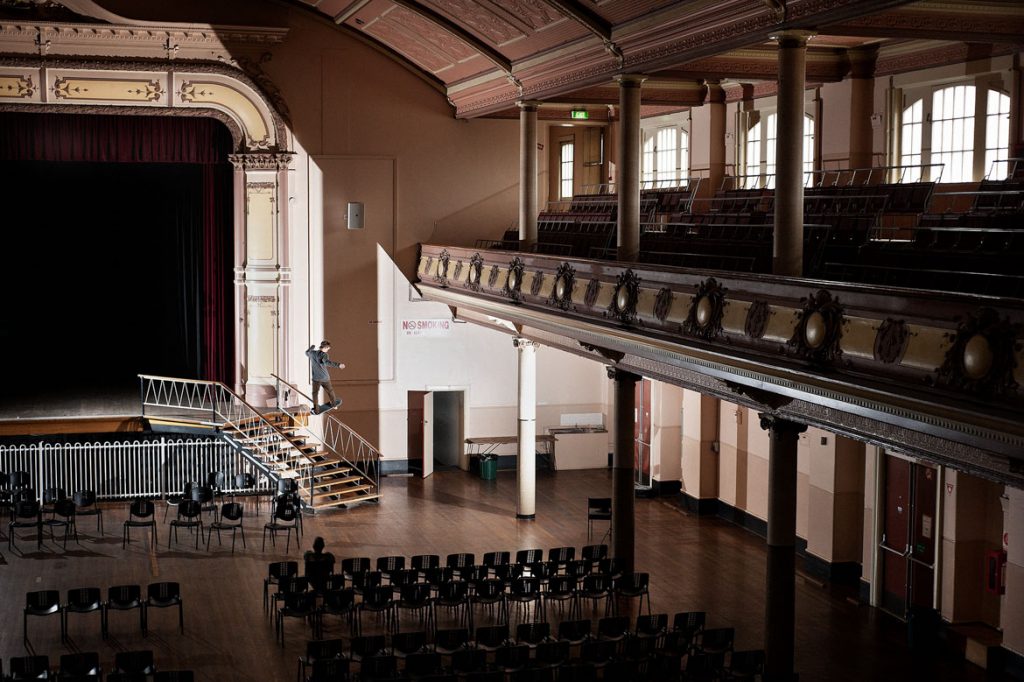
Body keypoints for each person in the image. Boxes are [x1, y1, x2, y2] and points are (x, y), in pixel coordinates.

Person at [306, 340, 345, 413]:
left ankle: (316, 410)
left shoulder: (312, 353)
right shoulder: (324, 355)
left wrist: (311, 348)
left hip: (316, 378)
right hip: (324, 378)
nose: (328, 350)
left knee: (315, 394)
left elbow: (306, 352)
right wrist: (338, 365)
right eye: (328, 349)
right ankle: (333, 404)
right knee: (330, 391)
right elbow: (327, 362)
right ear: (325, 347)